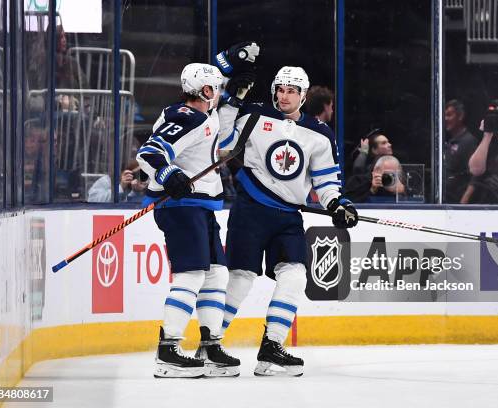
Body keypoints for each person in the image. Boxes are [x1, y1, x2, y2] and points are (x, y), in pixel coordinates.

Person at [217, 66, 359, 376]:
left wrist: (337, 203)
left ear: (304, 96)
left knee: (294, 276)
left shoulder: (320, 134)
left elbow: (325, 182)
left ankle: (271, 349)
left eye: (291, 91)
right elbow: (224, 142)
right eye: (280, 89)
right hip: (250, 210)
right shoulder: (254, 115)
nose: (284, 95)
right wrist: (229, 101)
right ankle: (211, 344)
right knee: (241, 278)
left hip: (287, 217)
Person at [136, 62, 253, 378]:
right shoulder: (186, 117)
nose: (219, 93)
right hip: (181, 207)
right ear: (205, 91)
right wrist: (169, 173)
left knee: (216, 274)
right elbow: (150, 152)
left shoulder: (205, 115)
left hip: (201, 207)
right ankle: (168, 350)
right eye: (215, 88)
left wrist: (232, 69)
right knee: (190, 275)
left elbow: (220, 115)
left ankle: (210, 345)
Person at [443, 100, 478, 203]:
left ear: (460, 116)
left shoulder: (469, 141)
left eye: (449, 115)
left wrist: (464, 200)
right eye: (444, 115)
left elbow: (476, 174)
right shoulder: (449, 142)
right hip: (446, 201)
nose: (445, 119)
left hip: (459, 204)